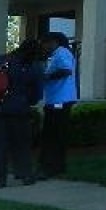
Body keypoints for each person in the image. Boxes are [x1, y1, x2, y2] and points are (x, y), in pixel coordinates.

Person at [0, 39, 43, 187]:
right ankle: (25, 174)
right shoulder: (34, 66)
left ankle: (0, 179)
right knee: (21, 144)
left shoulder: (3, 60)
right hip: (19, 109)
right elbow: (36, 93)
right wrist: (28, 100)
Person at [37, 31, 77, 179]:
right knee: (55, 134)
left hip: (60, 101)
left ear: (53, 42)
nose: (43, 47)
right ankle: (58, 166)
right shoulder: (56, 55)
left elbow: (66, 70)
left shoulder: (62, 52)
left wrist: (46, 76)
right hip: (55, 99)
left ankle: (51, 166)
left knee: (53, 134)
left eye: (44, 43)